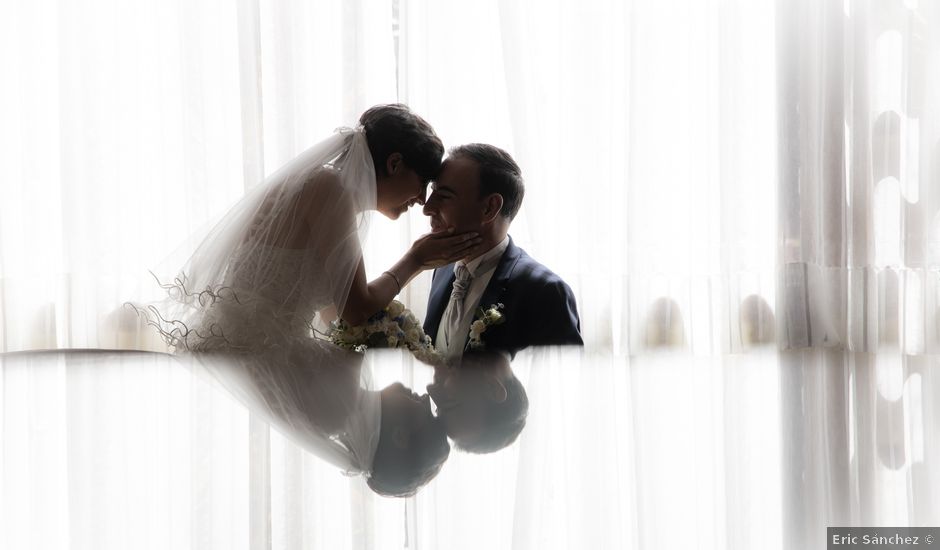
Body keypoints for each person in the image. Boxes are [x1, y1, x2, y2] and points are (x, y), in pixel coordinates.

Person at [136, 104, 470, 496]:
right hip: (260, 349)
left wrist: (380, 331)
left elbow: (338, 314)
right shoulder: (327, 190)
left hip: (257, 349)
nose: (421, 200)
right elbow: (355, 308)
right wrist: (415, 260)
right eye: (423, 183)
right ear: (395, 163)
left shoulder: (325, 188)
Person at [422, 144, 583, 359]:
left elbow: (561, 385)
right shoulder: (441, 268)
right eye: (433, 191)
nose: (427, 208)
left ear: (489, 207)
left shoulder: (546, 292)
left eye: (444, 196)